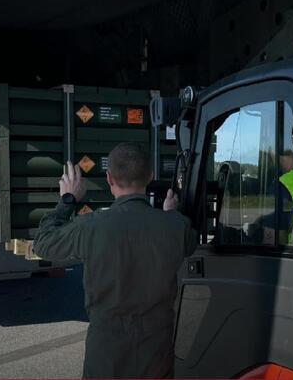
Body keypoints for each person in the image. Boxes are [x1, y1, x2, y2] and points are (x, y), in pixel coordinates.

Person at [33, 142, 197, 378]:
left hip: (106, 356)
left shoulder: (91, 227)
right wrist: (171, 213)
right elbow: (189, 241)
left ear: (109, 178)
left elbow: (43, 243)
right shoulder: (175, 226)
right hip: (156, 355)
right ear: (150, 176)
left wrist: (68, 199)